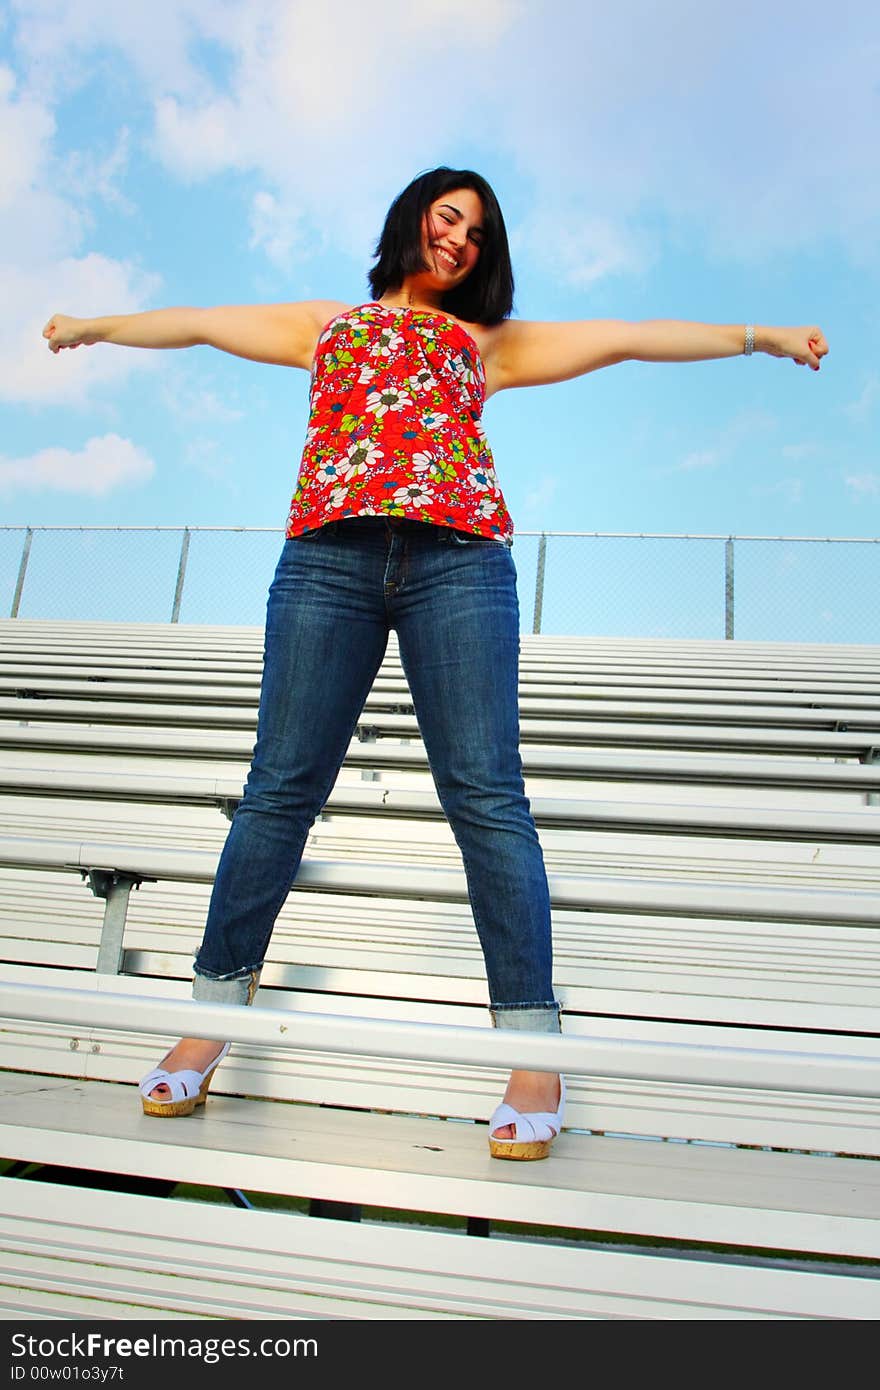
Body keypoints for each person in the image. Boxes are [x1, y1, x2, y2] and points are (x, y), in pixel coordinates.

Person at [43, 165, 828, 1161]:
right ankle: (211, 1020)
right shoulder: (326, 324)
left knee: (486, 793)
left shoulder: (487, 343)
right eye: (446, 217)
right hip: (327, 558)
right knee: (279, 788)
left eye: (477, 233)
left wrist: (760, 337)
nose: (458, 238)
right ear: (412, 218)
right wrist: (94, 325)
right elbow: (198, 320)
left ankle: (533, 1048)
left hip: (457, 565)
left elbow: (631, 339)